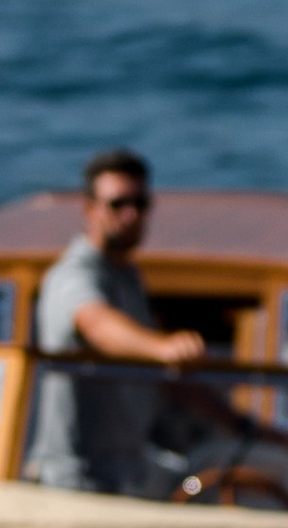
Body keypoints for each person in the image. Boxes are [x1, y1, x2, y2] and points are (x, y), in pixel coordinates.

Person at [25, 147, 207, 494]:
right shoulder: (72, 274)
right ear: (89, 210)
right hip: (76, 482)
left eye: (140, 204)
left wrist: (241, 424)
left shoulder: (128, 278)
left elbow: (166, 379)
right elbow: (95, 323)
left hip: (129, 471)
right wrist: (162, 347)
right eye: (117, 204)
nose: (130, 215)